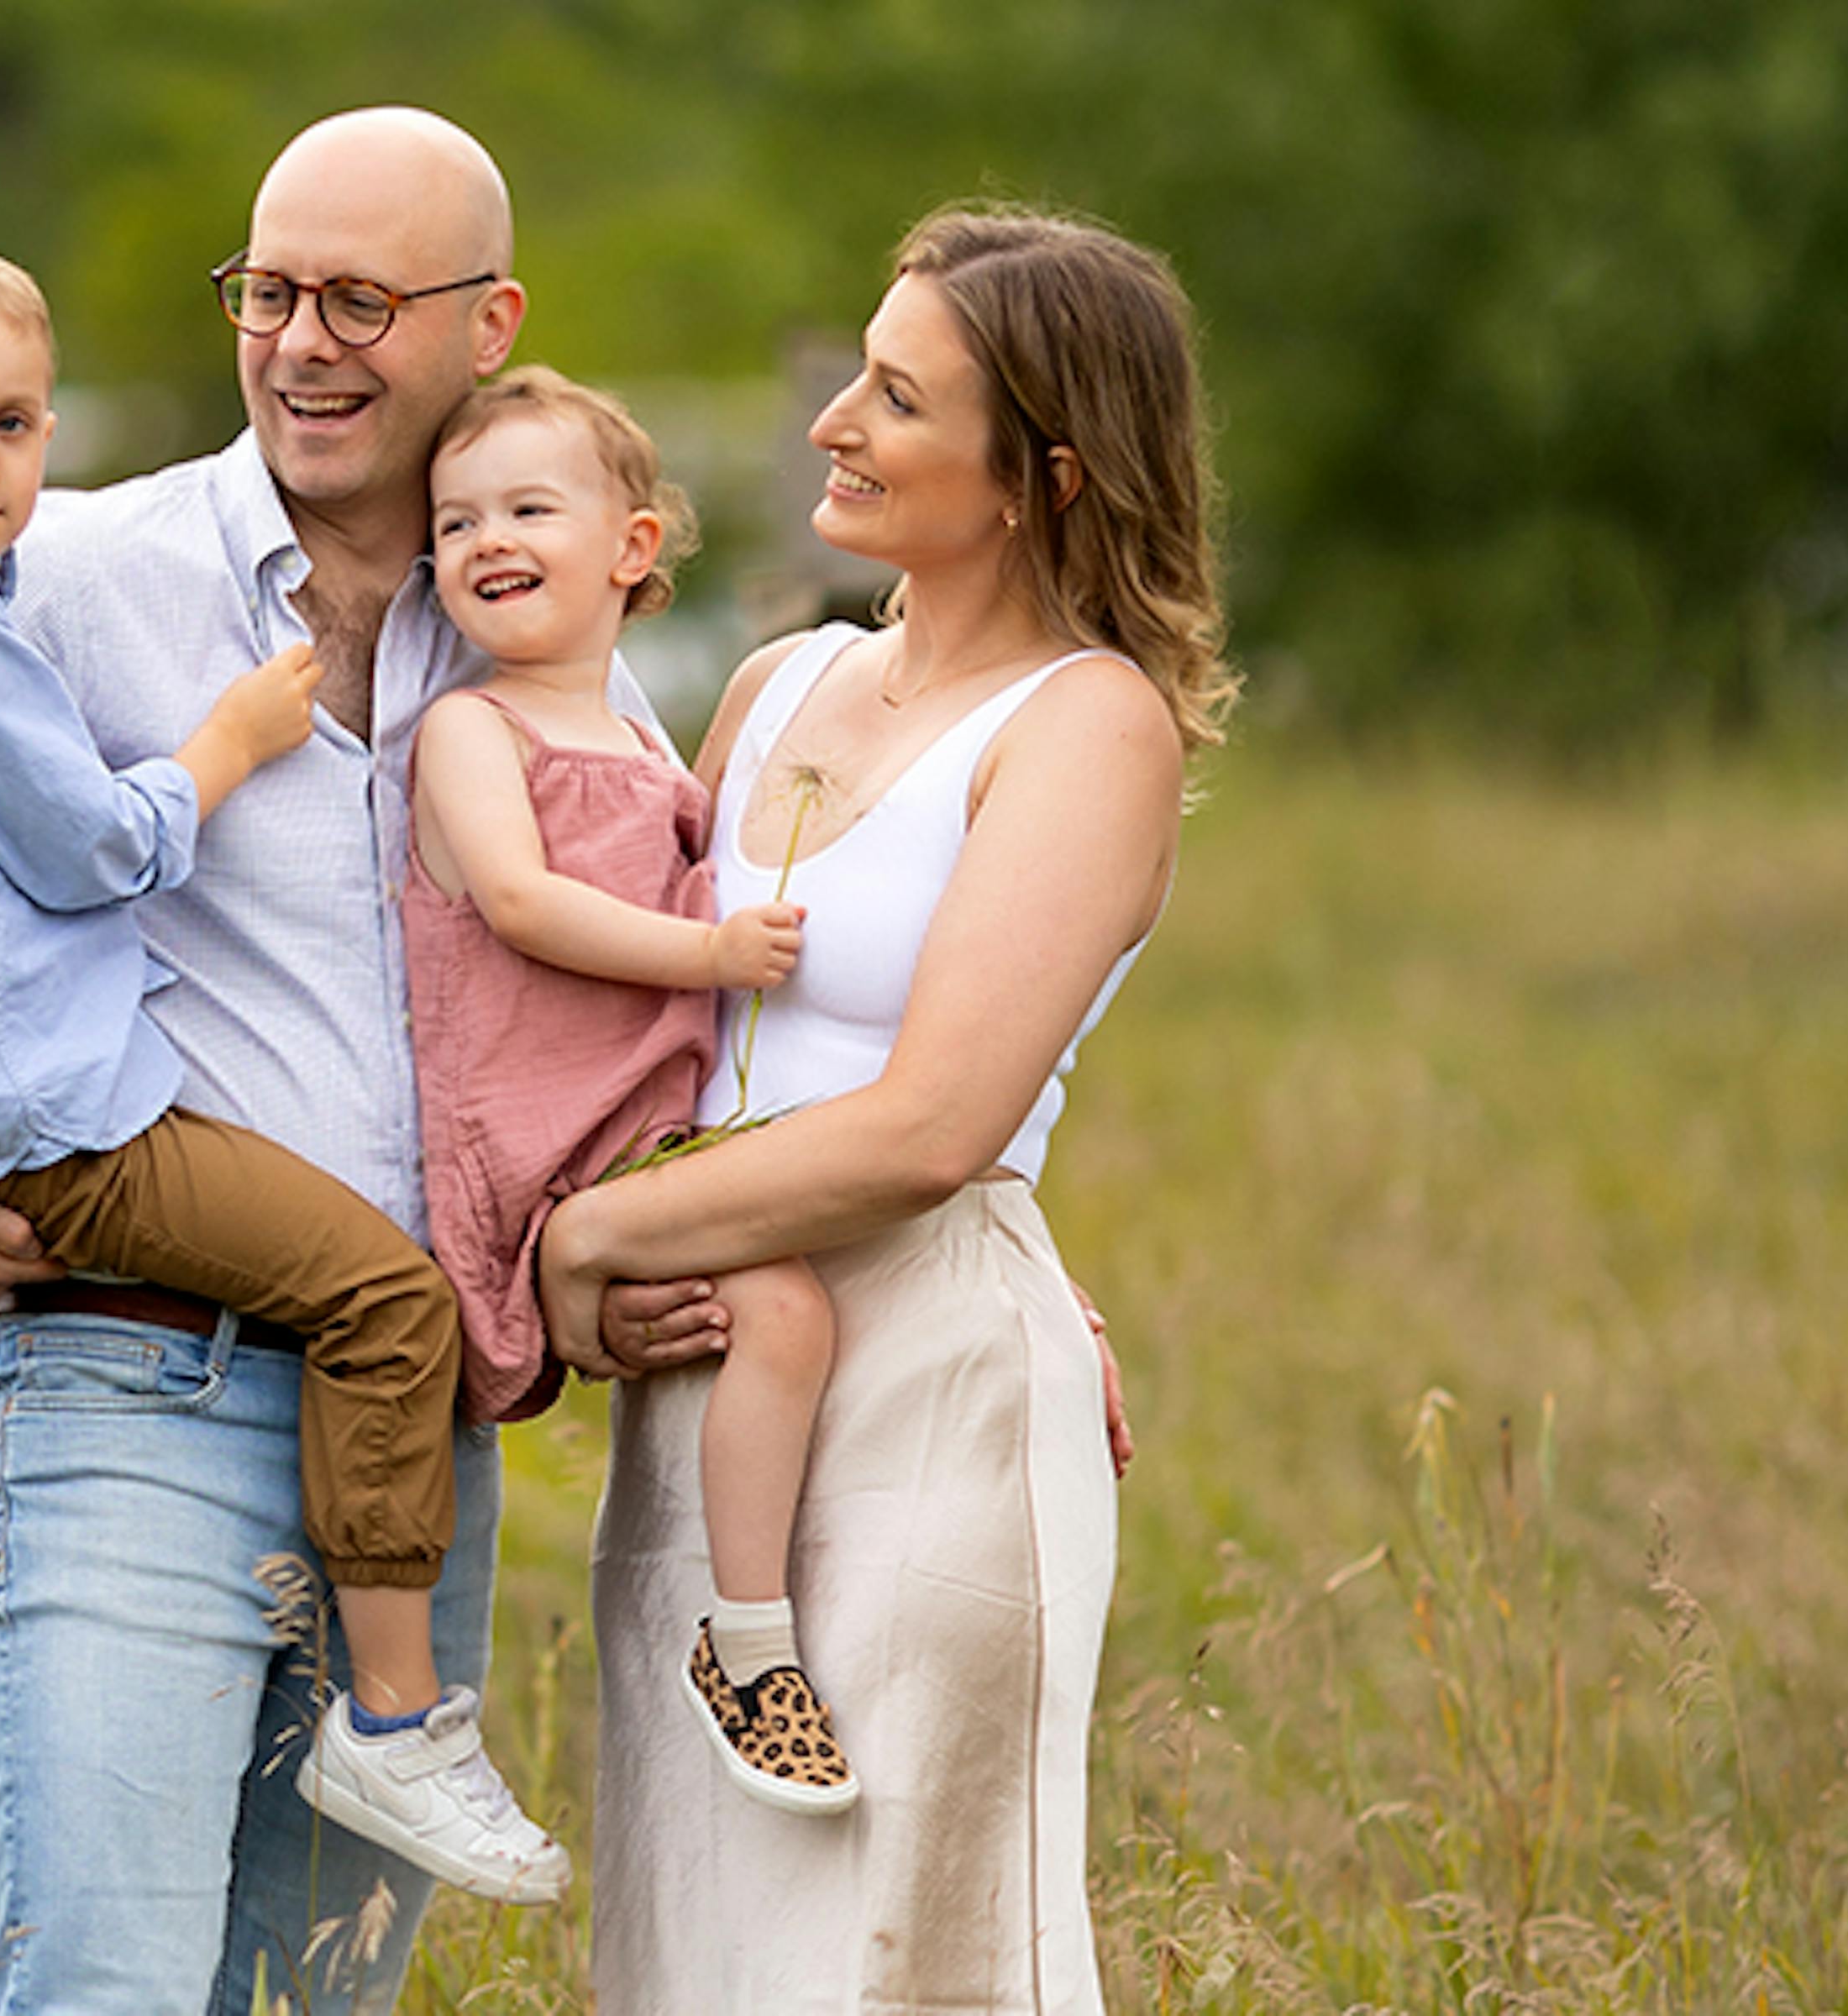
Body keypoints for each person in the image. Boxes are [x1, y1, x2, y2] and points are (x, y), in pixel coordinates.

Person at [0, 110, 698, 2014]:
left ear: (488, 320)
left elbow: (655, 996)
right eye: (268, 291)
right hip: (118, 1378)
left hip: (412, 1426)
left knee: (306, 2007)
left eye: (361, 299)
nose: (302, 340)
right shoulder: (57, 567)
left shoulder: (555, 650)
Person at [542, 203, 1230, 2013]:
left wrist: (593, 1236)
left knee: (904, 1956)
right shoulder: (777, 684)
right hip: (708, 1371)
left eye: (897, 398)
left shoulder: (1090, 726)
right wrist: (598, 1272)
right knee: (696, 1950)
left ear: (1043, 473)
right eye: (855, 372)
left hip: (926, 1364)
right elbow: (639, 1031)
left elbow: (936, 1124)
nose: (833, 422)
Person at [400, 366, 856, 1814]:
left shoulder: (652, 747)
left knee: (796, 1295)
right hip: (548, 1151)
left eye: (529, 507)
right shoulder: (474, 732)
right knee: (784, 1305)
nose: (486, 539)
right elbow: (526, 907)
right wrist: (710, 946)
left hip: (649, 1132)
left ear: (635, 549)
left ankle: (753, 1608)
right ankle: (748, 1639)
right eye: (456, 521)